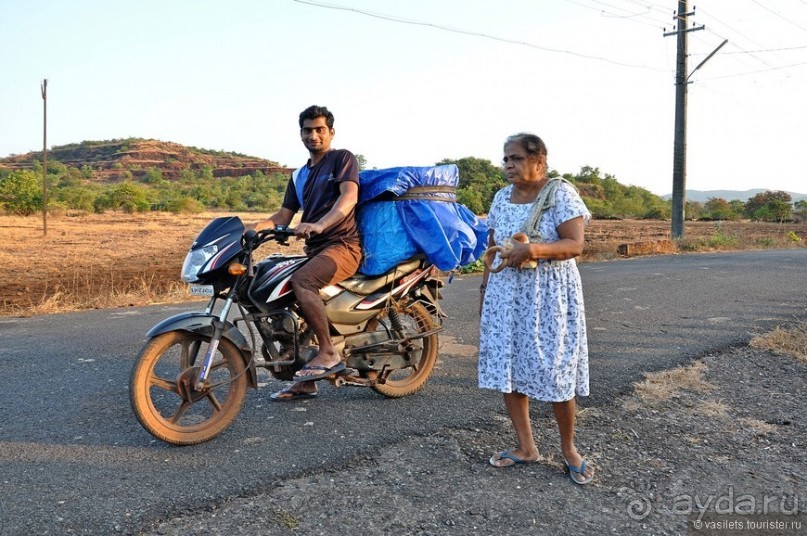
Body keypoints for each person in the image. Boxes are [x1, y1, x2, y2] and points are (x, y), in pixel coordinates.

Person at [478, 132, 594, 485]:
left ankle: (569, 449)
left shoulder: (560, 193)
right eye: (506, 159)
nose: (508, 165)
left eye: (515, 158)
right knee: (509, 366)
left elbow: (575, 244)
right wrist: (485, 291)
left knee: (556, 370)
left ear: (539, 161)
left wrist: (533, 251)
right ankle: (526, 447)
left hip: (550, 296)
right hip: (505, 295)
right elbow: (492, 248)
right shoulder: (501, 197)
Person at [250, 105, 362, 401]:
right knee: (273, 285)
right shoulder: (299, 175)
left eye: (319, 129)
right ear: (300, 134)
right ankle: (304, 378)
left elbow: (348, 197)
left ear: (331, 132)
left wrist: (320, 224)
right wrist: (248, 229)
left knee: (302, 281)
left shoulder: (342, 159)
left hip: (343, 246)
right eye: (307, 130)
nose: (313, 135)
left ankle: (328, 352)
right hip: (316, 250)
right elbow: (283, 216)